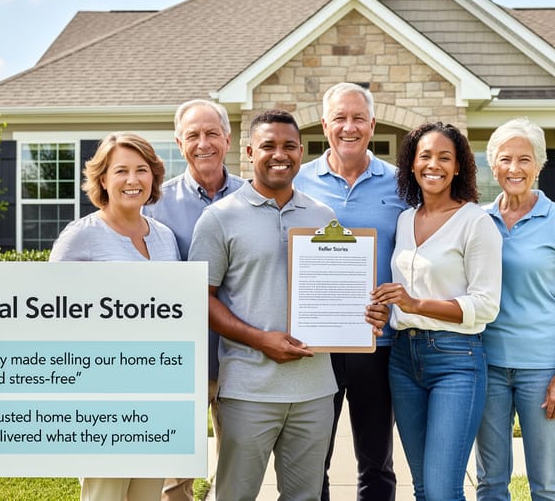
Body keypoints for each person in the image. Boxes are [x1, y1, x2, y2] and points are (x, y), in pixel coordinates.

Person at [189, 109, 387, 500]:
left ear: (301, 152)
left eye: (289, 146)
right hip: (249, 389)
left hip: (315, 390)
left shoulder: (323, 215)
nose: (280, 154)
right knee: (235, 495)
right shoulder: (219, 218)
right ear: (248, 152)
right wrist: (261, 339)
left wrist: (365, 315)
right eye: (268, 146)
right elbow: (199, 298)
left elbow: (340, 291)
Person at [372, 122, 502, 501]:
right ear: (411, 165)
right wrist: (385, 308)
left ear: (459, 166)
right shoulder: (404, 219)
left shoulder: (476, 223)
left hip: (456, 361)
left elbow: (485, 305)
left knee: (444, 491)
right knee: (425, 488)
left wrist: (415, 304)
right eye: (425, 156)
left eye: (445, 157)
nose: (434, 165)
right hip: (403, 359)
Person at [50, 132, 179, 501]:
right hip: (103, 398)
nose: (132, 180)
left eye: (142, 170)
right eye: (120, 170)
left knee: (146, 495)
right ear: (103, 180)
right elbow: (50, 315)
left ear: (153, 178)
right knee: (105, 494)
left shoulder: (164, 237)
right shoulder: (80, 238)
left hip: (157, 393)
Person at [293, 82, 406, 501]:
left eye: (358, 117)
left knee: (376, 461)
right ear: (325, 125)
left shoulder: (400, 184)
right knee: (312, 459)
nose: (349, 126)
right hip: (316, 343)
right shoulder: (298, 182)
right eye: (339, 117)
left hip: (377, 341)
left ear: (372, 124)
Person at [473, 117, 555, 501]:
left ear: (538, 165)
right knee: (490, 482)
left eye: (525, 159)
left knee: (548, 484)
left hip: (542, 369)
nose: (515, 168)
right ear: (494, 166)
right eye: (506, 159)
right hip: (487, 365)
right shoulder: (478, 220)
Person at [142, 99, 244, 501]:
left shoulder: (253, 198)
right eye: (193, 135)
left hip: (239, 357)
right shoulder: (155, 204)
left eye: (212, 133)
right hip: (180, 360)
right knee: (173, 481)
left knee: (237, 471)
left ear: (228, 138)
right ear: (179, 142)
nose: (204, 143)